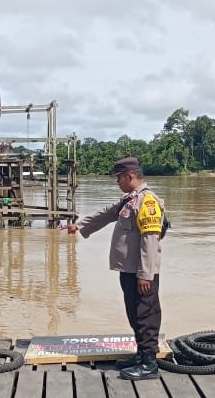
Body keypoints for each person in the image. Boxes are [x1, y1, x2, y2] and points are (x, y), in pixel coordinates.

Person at [67, 156, 164, 380]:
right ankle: (140, 356)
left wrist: (145, 275)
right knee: (134, 313)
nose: (116, 182)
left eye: (118, 178)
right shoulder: (129, 200)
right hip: (129, 271)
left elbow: (150, 240)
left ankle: (149, 365)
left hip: (141, 273)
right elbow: (106, 214)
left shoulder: (147, 202)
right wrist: (79, 225)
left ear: (130, 176)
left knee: (146, 314)